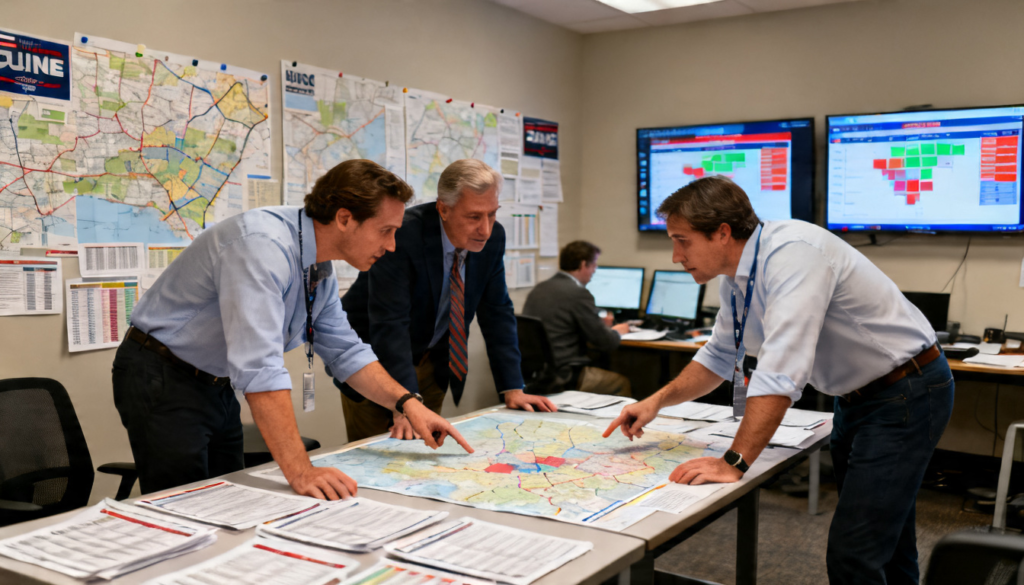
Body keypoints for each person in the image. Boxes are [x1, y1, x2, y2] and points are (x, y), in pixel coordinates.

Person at [603, 176, 953, 585]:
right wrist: (656, 401)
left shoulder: (793, 254)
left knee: (855, 553)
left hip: (905, 393)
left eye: (682, 241)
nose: (675, 255)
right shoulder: (736, 277)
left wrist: (735, 461)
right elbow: (719, 354)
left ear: (722, 233)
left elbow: (781, 370)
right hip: (857, 399)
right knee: (886, 541)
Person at [113, 160, 472, 499]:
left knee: (226, 497)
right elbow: (260, 369)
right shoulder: (261, 247)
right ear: (345, 218)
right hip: (163, 375)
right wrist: (301, 471)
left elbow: (346, 350)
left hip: (214, 384)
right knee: (185, 506)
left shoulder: (316, 264)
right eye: (386, 231)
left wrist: (407, 403)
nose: (392, 246)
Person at [334, 159, 556, 442]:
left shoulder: (493, 239)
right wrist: (404, 403)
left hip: (435, 361)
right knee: (377, 456)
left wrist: (513, 388)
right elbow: (390, 323)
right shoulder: (402, 235)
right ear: (443, 209)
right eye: (474, 217)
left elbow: (497, 310)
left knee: (427, 451)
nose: (485, 229)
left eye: (492, 214)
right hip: (376, 362)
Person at [522, 240, 632, 396]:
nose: (595, 270)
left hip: (535, 374)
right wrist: (618, 331)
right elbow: (605, 342)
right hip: (564, 374)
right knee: (620, 383)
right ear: (583, 264)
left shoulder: (540, 288)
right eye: (594, 265)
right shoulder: (578, 293)